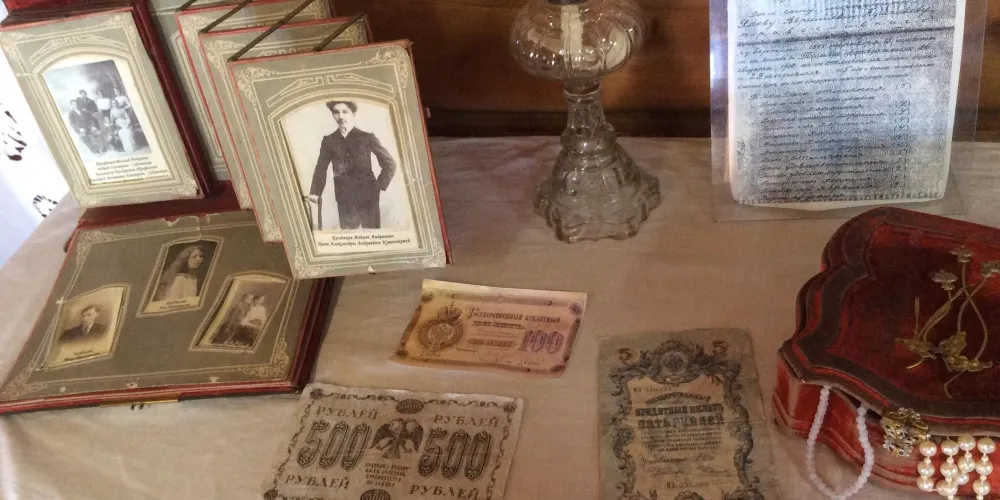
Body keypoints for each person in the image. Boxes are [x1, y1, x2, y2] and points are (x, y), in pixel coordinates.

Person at [307, 101, 396, 230]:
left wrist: (378, 186)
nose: (341, 116)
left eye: (345, 112)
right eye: (336, 112)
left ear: (353, 114)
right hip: (344, 197)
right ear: (332, 114)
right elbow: (321, 169)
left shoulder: (367, 137)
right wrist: (315, 193)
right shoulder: (329, 140)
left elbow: (390, 163)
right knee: (348, 236)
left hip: (368, 196)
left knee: (373, 234)